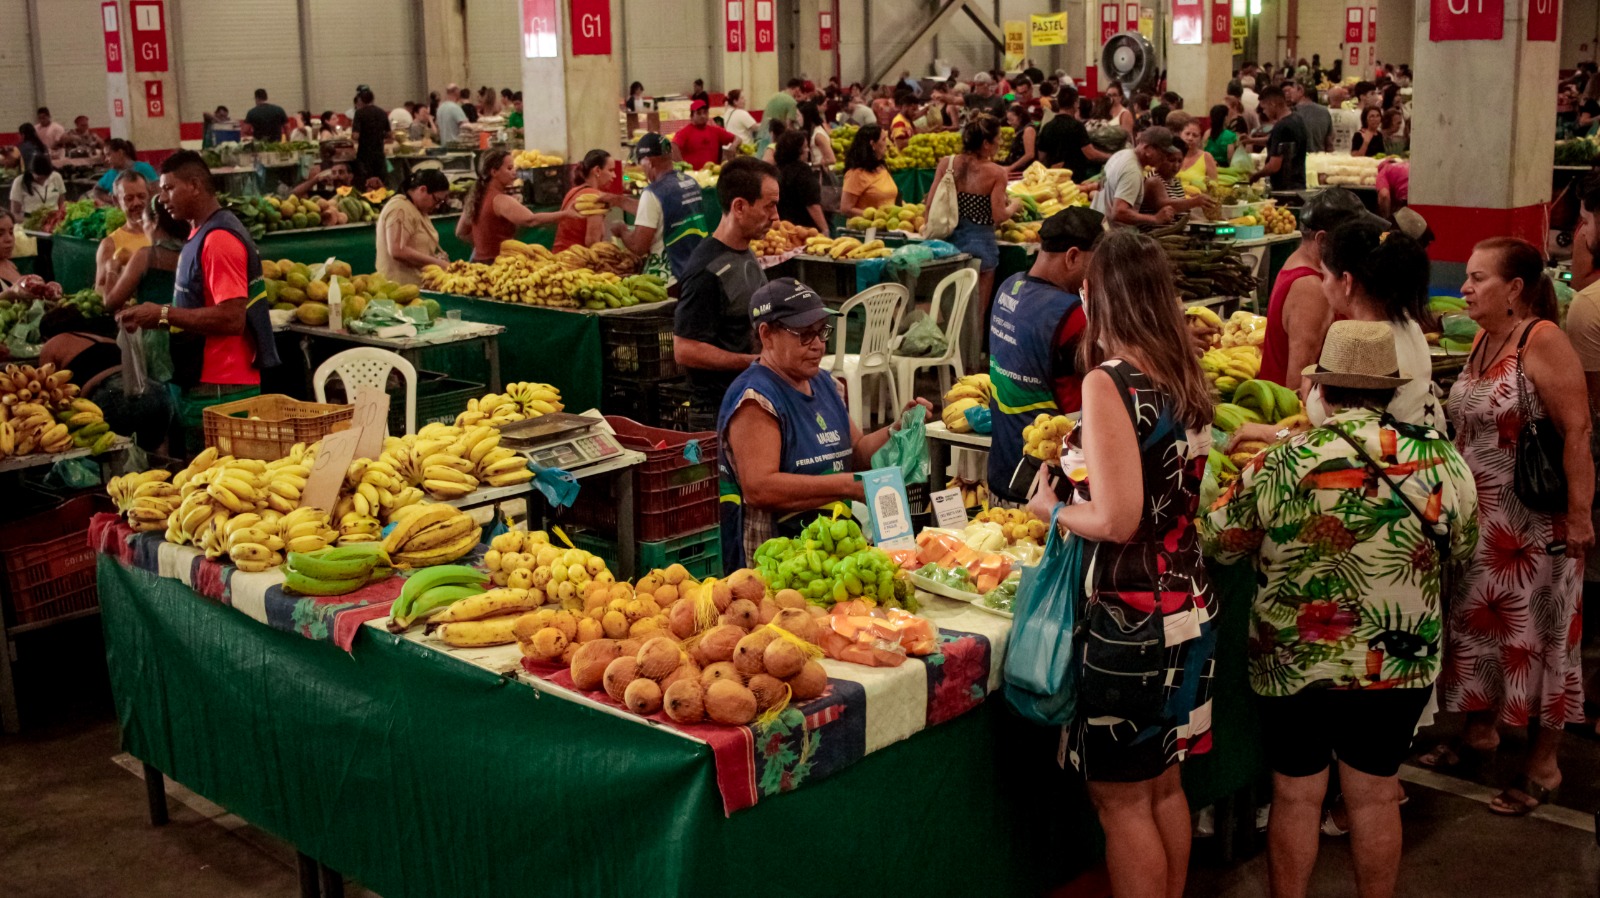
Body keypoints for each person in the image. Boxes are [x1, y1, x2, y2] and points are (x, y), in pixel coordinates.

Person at [1203, 319, 1478, 898]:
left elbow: (1219, 542)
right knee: (1376, 793)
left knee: (1297, 794)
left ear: (1322, 392)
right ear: (1386, 393)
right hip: (1397, 660)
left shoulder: (1280, 460)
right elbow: (1464, 545)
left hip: (1291, 661)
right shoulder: (1441, 461)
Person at [1023, 228, 1216, 898]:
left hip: (1129, 620)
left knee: (1122, 802)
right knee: (1164, 786)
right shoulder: (1184, 371)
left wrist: (1051, 511)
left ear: (1096, 294)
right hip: (1185, 602)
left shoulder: (1112, 382)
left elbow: (1115, 519)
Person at [1422, 238, 1593, 817]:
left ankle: (1545, 762)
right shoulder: (1482, 338)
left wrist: (1580, 515)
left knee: (1539, 639)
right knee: (1477, 629)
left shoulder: (1543, 340)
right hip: (1483, 522)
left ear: (1514, 288)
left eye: (1476, 278)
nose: (1464, 288)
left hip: (1533, 524)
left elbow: (1577, 431)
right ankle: (1478, 732)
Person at [717, 277, 930, 568]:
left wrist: (898, 428)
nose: (818, 345)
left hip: (833, 550)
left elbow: (856, 453)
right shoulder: (756, 399)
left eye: (821, 332)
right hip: (778, 564)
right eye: (805, 334)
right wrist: (846, 485)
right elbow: (760, 488)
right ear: (766, 335)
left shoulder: (825, 384)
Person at [115, 152, 280, 455]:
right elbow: (206, 302)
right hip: (202, 379)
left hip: (222, 386)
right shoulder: (199, 232)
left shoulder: (218, 240)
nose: (161, 198)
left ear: (194, 185)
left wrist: (163, 314)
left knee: (223, 483)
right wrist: (156, 314)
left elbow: (232, 319)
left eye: (168, 188)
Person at [986, 208, 1104, 502]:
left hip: (1004, 470)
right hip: (1052, 483)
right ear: (1073, 256)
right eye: (1097, 265)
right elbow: (1111, 373)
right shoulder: (1069, 314)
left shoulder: (1008, 287)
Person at [675, 156, 778, 406]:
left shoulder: (744, 251)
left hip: (752, 397)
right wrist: (753, 361)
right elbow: (685, 349)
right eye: (769, 206)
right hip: (720, 411)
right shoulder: (707, 270)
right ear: (739, 207)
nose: (776, 216)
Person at [1257, 188, 1372, 389]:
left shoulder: (1299, 262)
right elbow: (1300, 380)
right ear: (1321, 239)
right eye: (1352, 237)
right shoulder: (1311, 288)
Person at [927, 116, 1021, 334]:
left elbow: (931, 203)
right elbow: (998, 215)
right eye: (997, 141)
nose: (999, 145)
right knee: (976, 313)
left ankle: (948, 353)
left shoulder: (947, 164)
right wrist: (1014, 206)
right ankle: (970, 361)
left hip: (948, 244)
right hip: (982, 246)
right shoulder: (997, 173)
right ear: (986, 144)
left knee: (950, 308)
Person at [613, 133, 709, 282]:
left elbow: (639, 246)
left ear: (649, 162)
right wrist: (618, 201)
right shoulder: (690, 182)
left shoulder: (653, 192)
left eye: (641, 164)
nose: (642, 169)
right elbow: (660, 211)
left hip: (670, 277)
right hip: (698, 269)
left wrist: (622, 230)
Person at [455, 150, 575, 264]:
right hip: (498, 265)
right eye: (509, 168)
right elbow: (531, 220)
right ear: (494, 172)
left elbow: (460, 232)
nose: (514, 172)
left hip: (478, 263)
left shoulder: (475, 197)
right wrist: (565, 214)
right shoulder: (499, 200)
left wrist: (482, 246)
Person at [1092, 126, 1179, 229]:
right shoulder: (1132, 171)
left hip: (1097, 224)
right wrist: (1155, 219)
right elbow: (1119, 212)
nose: (1165, 158)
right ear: (1148, 149)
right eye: (1162, 153)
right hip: (1111, 234)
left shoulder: (1121, 154)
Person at [375, 169, 451, 286]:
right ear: (423, 190)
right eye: (437, 200)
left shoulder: (418, 209)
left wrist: (436, 258)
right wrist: (438, 263)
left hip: (416, 287)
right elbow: (397, 250)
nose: (437, 206)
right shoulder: (400, 208)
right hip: (399, 288)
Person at [554, 150, 628, 253]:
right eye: (611, 170)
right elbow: (593, 243)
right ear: (597, 171)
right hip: (575, 261)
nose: (614, 176)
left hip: (558, 256)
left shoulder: (572, 191)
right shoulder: (595, 197)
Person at [94, 172, 151, 295]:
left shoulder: (165, 234)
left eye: (141, 196)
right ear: (116, 201)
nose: (136, 203)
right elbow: (100, 291)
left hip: (164, 311)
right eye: (129, 198)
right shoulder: (109, 245)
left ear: (149, 195)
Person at [1036, 85, 1110, 177]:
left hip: (1053, 178)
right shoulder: (1077, 126)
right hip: (1074, 180)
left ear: (1058, 103)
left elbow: (1042, 157)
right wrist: (1112, 156)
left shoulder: (1047, 127)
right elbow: (1090, 154)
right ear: (1076, 104)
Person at [1249, 86, 1308, 191]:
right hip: (1299, 184)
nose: (1264, 112)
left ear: (1272, 104)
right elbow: (1274, 141)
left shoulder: (1281, 126)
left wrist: (1256, 175)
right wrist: (1250, 140)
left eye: (1264, 108)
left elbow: (1274, 166)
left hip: (1284, 187)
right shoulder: (1297, 119)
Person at [773, 131, 828, 235]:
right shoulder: (803, 171)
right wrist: (825, 229)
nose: (808, 150)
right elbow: (812, 204)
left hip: (781, 229)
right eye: (805, 147)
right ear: (797, 151)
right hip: (803, 230)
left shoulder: (775, 170)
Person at [839, 125, 898, 215]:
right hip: (866, 227)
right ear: (873, 144)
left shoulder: (882, 168)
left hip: (887, 226)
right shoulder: (856, 174)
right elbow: (845, 208)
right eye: (883, 139)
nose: (887, 143)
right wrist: (874, 216)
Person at [675, 100, 739, 170]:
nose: (703, 116)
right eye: (699, 113)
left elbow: (737, 138)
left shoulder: (716, 131)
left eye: (705, 112)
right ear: (692, 116)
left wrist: (733, 146)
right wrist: (680, 164)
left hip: (712, 175)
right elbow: (673, 146)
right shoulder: (684, 132)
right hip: (692, 175)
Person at [92, 139, 159, 205]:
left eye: (108, 155)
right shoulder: (111, 174)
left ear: (120, 153)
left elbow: (157, 191)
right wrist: (114, 200)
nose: (106, 160)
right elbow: (97, 190)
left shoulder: (143, 168)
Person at [351, 87, 389, 187]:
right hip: (379, 154)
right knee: (380, 184)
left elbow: (356, 135)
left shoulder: (359, 113)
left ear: (360, 100)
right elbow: (389, 134)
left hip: (364, 155)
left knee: (366, 184)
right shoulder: (382, 112)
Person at [9, 155, 65, 219]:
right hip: (30, 220)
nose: (43, 181)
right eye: (39, 178)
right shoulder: (19, 181)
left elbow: (62, 205)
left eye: (46, 177)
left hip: (53, 220)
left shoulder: (56, 177)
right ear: (31, 172)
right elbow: (15, 212)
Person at [1171, 113, 1217, 188]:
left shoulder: (1206, 157)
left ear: (1200, 138)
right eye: (1187, 134)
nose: (1190, 138)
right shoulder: (1172, 155)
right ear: (1180, 134)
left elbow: (1214, 185)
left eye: (1195, 135)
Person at [1284, 81, 1331, 153]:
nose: (1290, 93)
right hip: (1320, 159)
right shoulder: (1325, 111)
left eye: (1292, 88)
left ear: (1300, 90)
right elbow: (1329, 143)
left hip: (1299, 160)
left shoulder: (1292, 113)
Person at [1003, 104, 1038, 173]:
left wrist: (1011, 168)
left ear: (1020, 117)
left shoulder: (1028, 129)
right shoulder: (1020, 130)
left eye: (1012, 120)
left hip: (1024, 170)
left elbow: (1030, 154)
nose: (1010, 123)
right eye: (1008, 120)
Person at [798, 101, 834, 170]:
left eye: (799, 116)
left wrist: (812, 164)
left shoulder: (818, 135)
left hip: (819, 172)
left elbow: (831, 159)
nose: (798, 119)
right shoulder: (812, 131)